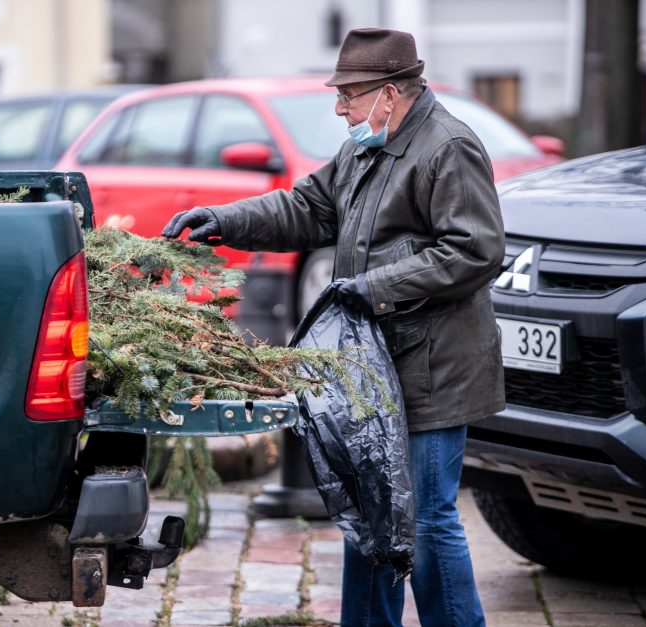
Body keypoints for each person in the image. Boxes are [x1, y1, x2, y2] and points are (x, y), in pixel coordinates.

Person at [162, 28, 504, 627]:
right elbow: (307, 208)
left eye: (348, 93)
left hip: (433, 370)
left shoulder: (448, 147)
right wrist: (222, 220)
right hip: (374, 370)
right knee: (370, 512)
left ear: (390, 94)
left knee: (423, 520)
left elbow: (474, 251)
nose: (339, 106)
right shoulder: (363, 148)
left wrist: (375, 286)